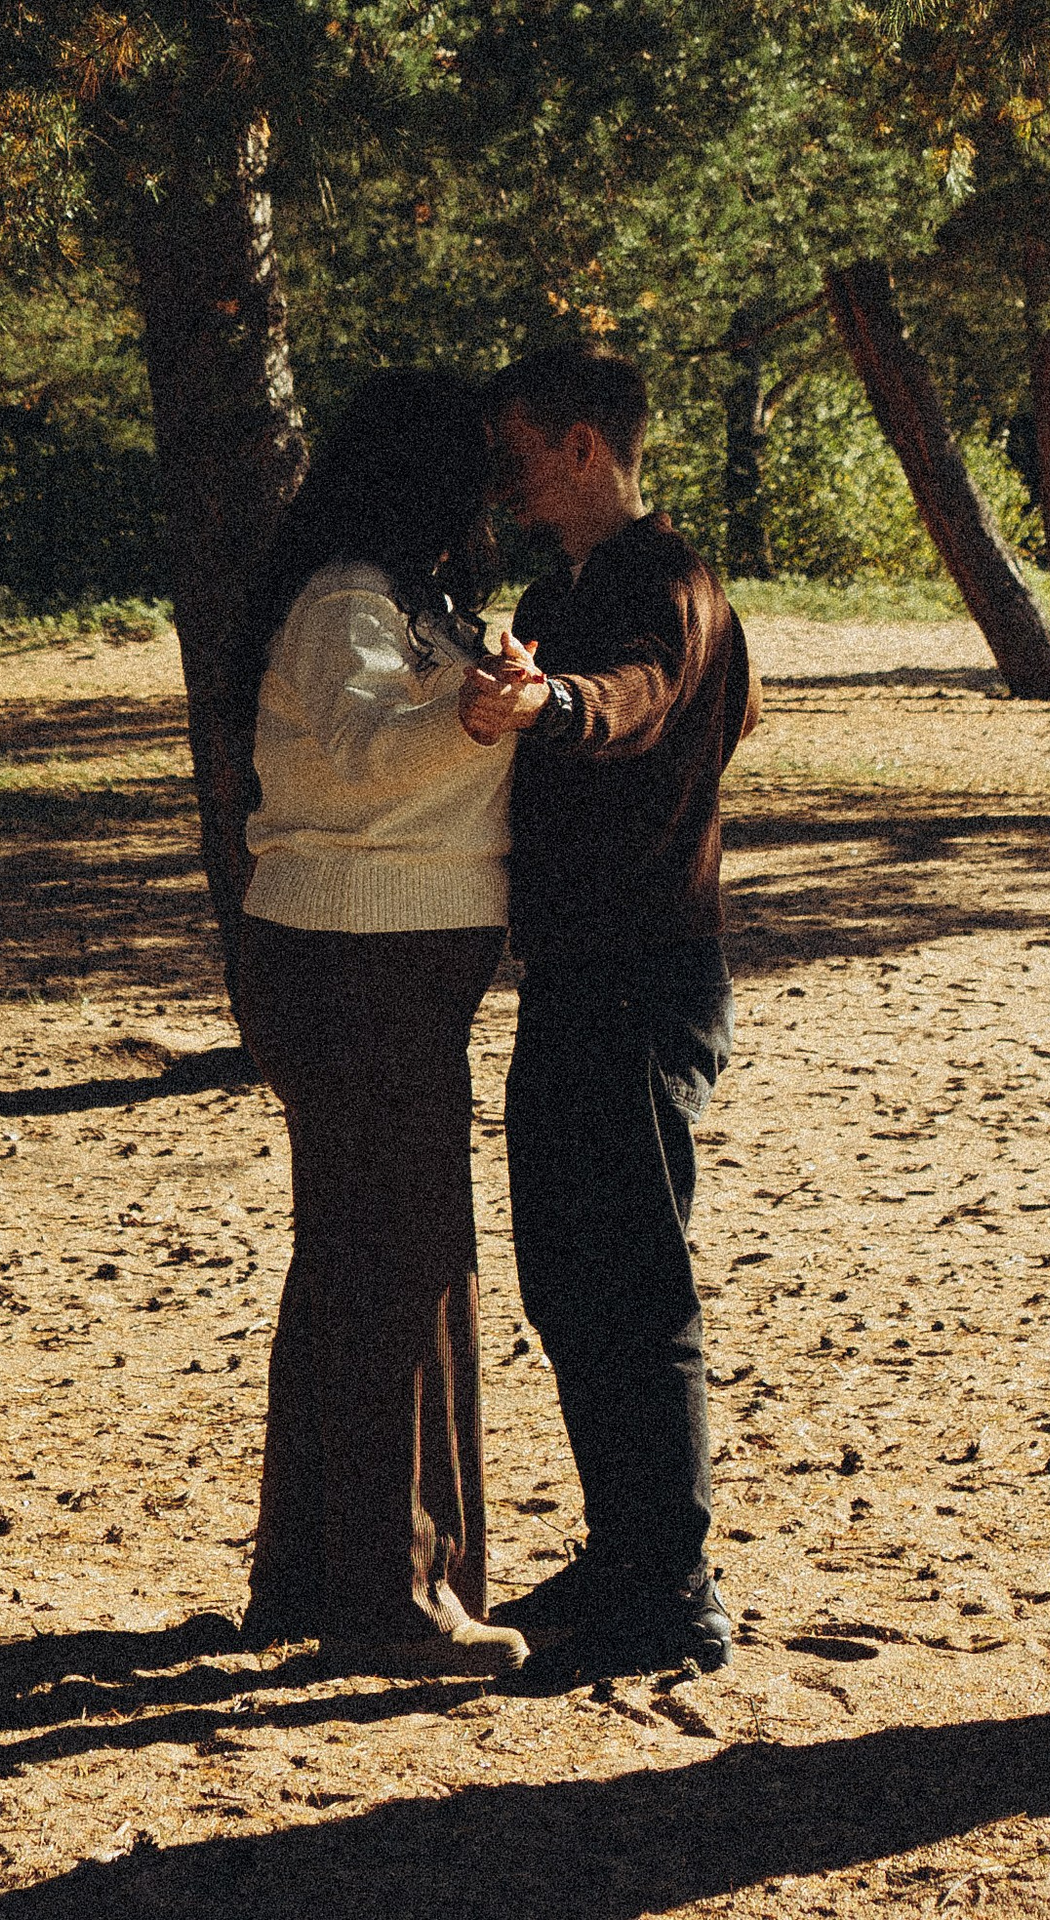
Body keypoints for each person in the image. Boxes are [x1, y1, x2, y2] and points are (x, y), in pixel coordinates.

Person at [459, 343, 758, 1680]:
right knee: (569, 1277)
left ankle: (674, 1590)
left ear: (587, 447)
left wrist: (556, 702)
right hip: (575, 974)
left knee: (634, 1282)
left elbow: (635, 698)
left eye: (522, 453)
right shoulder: (552, 589)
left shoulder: (667, 586)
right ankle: (626, 1553)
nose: (508, 481)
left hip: (645, 979)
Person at [233, 368, 529, 1675]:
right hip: (359, 955)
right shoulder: (345, 598)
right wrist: (469, 715)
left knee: (360, 1258)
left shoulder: (395, 597)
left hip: (378, 954)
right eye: (480, 468)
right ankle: (393, 1594)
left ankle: (315, 1578)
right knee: (398, 1264)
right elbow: (354, 758)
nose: (497, 496)